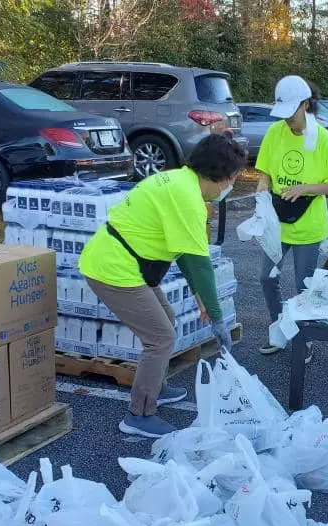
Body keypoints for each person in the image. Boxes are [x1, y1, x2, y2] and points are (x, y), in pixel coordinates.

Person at [78, 134, 246, 438]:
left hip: (123, 262)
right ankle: (139, 414)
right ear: (221, 176)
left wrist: (200, 295)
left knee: (166, 322)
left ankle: (154, 384)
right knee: (161, 337)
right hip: (113, 268)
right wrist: (218, 318)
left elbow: (183, 250)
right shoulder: (188, 199)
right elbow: (199, 262)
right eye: (232, 179)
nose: (230, 187)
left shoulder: (179, 181)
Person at [255, 75, 328, 360]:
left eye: (291, 113)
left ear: (306, 105)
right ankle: (279, 331)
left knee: (302, 288)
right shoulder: (275, 132)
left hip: (308, 224)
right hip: (277, 221)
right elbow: (264, 171)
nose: (287, 121)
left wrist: (305, 188)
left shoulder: (325, 141)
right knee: (266, 278)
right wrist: (262, 187)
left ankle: (303, 342)